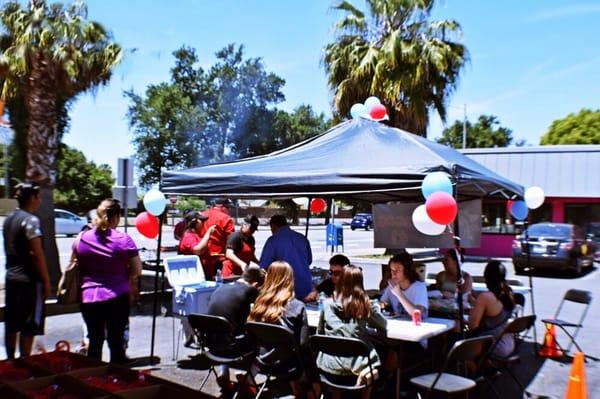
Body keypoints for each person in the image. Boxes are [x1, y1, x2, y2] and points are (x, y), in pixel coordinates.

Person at [77, 199, 142, 363]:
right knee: (116, 344)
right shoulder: (124, 239)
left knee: (94, 342)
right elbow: (137, 270)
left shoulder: (82, 238)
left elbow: (75, 265)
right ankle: (115, 382)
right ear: (117, 217)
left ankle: (92, 382)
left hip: (89, 297)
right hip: (116, 297)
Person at [248, 261, 319, 398]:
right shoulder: (297, 306)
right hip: (289, 366)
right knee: (313, 354)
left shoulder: (259, 303)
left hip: (262, 361)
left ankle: (297, 388)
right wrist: (313, 375)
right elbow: (304, 344)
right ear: (290, 279)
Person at [316, 265, 386, 399]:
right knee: (377, 358)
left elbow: (320, 332)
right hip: (354, 369)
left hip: (328, 368)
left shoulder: (326, 304)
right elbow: (382, 325)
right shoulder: (363, 306)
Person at [3, 182, 50, 359]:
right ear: (32, 198)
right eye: (37, 197)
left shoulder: (9, 219)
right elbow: (37, 253)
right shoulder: (31, 220)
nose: (39, 201)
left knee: (12, 323)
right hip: (29, 280)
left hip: (12, 277)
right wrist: (46, 281)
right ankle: (25, 361)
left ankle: (9, 360)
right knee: (29, 325)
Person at [206, 266, 265, 393]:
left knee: (226, 331)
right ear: (255, 284)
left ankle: (224, 374)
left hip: (211, 345)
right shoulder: (249, 290)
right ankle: (249, 378)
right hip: (231, 348)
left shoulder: (221, 287)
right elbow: (264, 307)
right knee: (264, 341)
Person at [468, 260, 515, 357]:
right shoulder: (508, 292)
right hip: (509, 342)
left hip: (494, 345)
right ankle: (486, 366)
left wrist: (473, 306)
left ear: (486, 277)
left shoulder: (485, 297)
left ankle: (480, 369)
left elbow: (472, 326)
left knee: (457, 341)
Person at [260, 215, 313, 301]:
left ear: (273, 226)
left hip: (284, 289)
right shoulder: (302, 238)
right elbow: (309, 261)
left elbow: (265, 266)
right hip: (305, 287)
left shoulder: (273, 240)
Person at [380, 252, 428, 318]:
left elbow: (417, 314)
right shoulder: (391, 287)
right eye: (392, 270)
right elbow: (382, 303)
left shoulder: (419, 287)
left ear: (407, 271)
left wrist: (399, 294)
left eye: (398, 270)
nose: (394, 273)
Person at [200, 198, 235, 280]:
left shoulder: (202, 215)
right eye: (228, 207)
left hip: (202, 255)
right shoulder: (226, 218)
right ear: (222, 206)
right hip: (219, 257)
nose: (228, 210)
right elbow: (232, 239)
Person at [177, 211, 216, 277]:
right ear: (195, 222)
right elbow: (198, 250)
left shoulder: (196, 235)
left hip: (204, 272)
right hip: (193, 274)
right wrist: (208, 233)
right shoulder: (188, 236)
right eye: (202, 221)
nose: (203, 223)